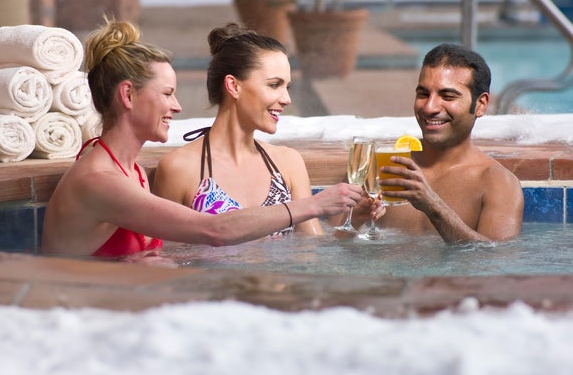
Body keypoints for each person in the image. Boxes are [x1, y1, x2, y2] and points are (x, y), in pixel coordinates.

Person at [41, 19, 362, 258]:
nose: (177, 106)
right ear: (128, 95)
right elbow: (214, 230)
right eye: (167, 94)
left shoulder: (129, 171)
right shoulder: (99, 180)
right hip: (75, 318)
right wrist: (314, 205)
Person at [153, 22, 353, 235]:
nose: (286, 99)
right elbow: (163, 254)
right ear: (233, 86)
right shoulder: (180, 168)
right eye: (274, 85)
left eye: (287, 87)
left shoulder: (287, 163)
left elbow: (314, 251)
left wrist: (355, 219)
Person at [353, 43, 524, 243]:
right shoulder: (382, 166)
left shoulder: (497, 183)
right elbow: (330, 245)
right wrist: (356, 218)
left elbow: (494, 262)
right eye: (423, 94)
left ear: (480, 104)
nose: (429, 107)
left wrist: (432, 205)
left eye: (448, 96)